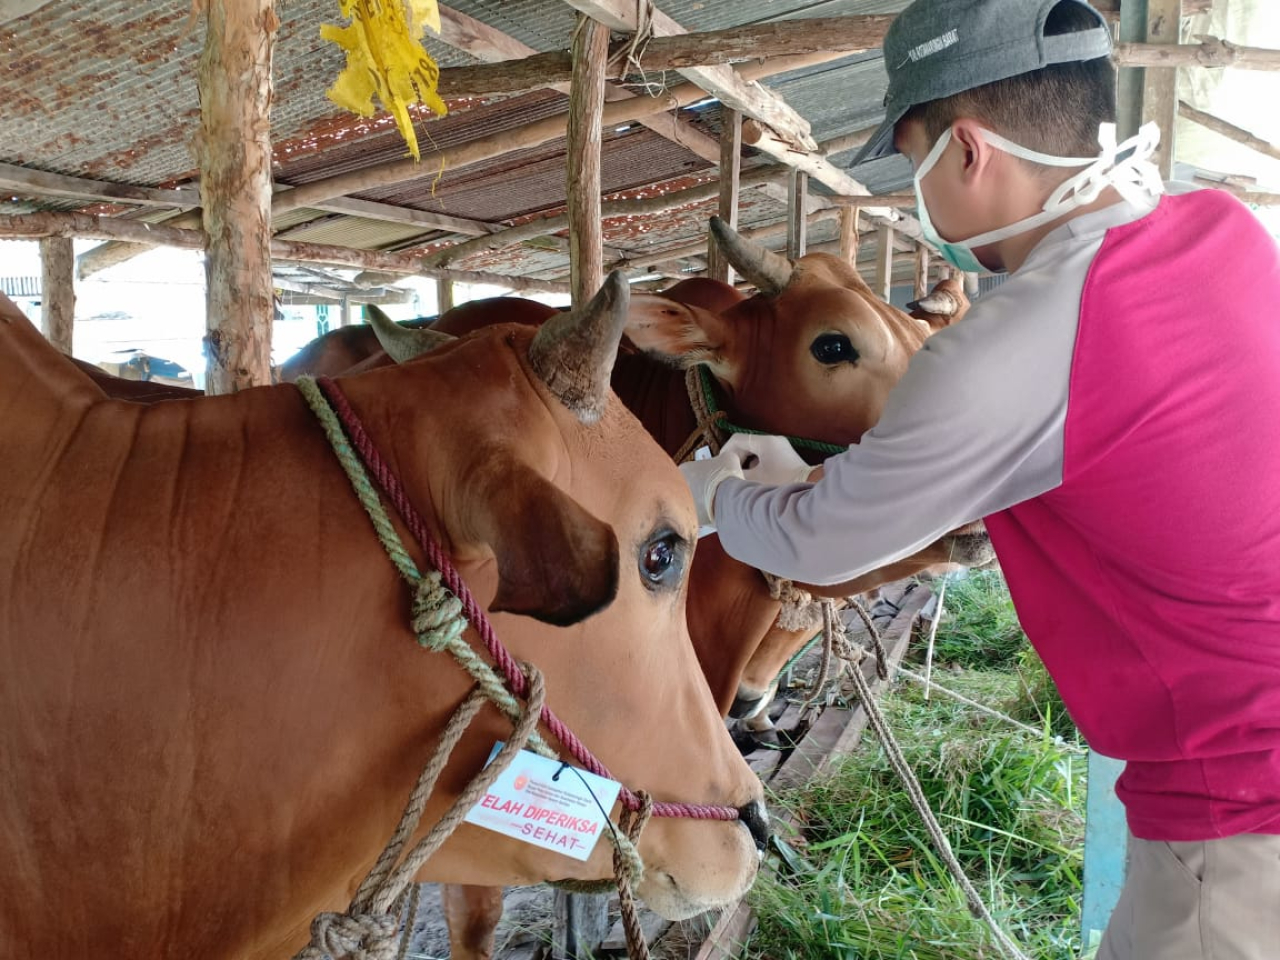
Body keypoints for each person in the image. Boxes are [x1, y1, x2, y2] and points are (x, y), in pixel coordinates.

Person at [680, 1, 1280, 957]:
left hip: (1243, 816)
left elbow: (818, 544)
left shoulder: (1022, 341)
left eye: (911, 161)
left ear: (967, 150)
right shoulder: (1224, 228)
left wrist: (714, 495)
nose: (915, 195)